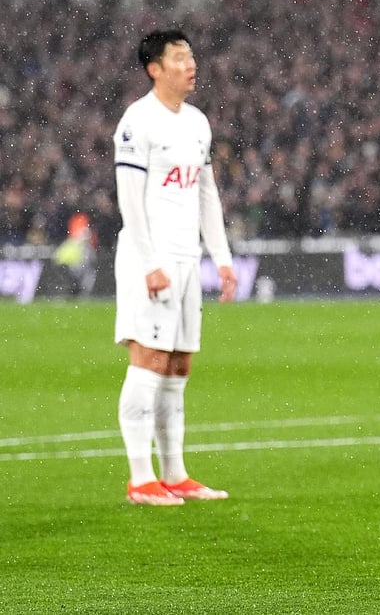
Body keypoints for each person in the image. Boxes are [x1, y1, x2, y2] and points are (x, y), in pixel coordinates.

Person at [112, 29, 237, 506]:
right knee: (148, 361)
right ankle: (140, 478)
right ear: (155, 68)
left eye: (192, 56)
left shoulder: (198, 122)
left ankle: (175, 473)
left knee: (179, 365)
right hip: (153, 259)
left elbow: (206, 194)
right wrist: (149, 264)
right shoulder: (137, 122)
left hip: (188, 259)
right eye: (180, 58)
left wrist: (221, 259)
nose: (191, 65)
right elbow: (130, 200)